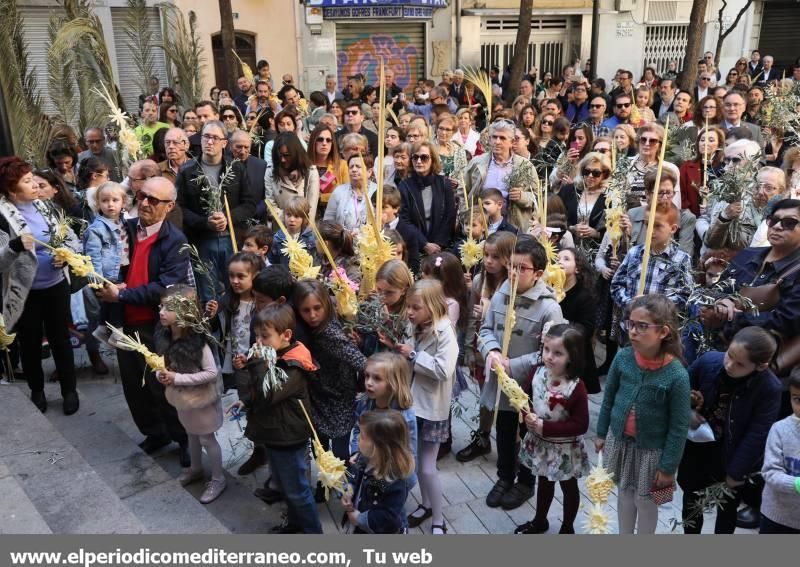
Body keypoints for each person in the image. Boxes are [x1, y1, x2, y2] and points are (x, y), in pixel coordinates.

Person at [96, 177, 191, 463]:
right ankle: (154, 432)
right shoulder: (124, 230)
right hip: (123, 321)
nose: (145, 203)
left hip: (155, 323)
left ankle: (184, 440)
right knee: (133, 384)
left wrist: (122, 296)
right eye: (142, 196)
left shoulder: (175, 240)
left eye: (154, 200)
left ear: (169, 206)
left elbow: (165, 286)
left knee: (163, 385)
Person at [595, 294, 691, 534]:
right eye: (631, 324)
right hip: (621, 442)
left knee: (645, 500)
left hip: (652, 451)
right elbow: (609, 399)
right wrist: (600, 432)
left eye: (642, 326)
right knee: (625, 494)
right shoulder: (623, 357)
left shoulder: (677, 375)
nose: (633, 331)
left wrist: (668, 466)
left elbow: (679, 426)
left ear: (663, 332)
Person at [480, 238, 564, 511]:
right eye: (511, 267)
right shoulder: (503, 291)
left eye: (522, 268)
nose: (514, 273)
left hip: (530, 386)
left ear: (538, 273)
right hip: (503, 383)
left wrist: (512, 364)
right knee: (503, 430)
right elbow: (486, 329)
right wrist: (491, 352)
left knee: (527, 435)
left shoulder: (550, 307)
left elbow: (550, 355)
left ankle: (526, 482)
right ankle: (505, 477)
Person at [229, 303, 323, 534]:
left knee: (297, 490)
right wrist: (246, 400)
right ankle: (294, 523)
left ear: (286, 335)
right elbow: (259, 393)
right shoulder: (275, 354)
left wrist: (256, 363)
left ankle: (314, 533)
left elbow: (269, 392)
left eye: (265, 336)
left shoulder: (293, 366)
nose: (258, 342)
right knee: (285, 486)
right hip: (274, 433)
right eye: (256, 336)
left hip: (289, 438)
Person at [678, 327, 782, 533]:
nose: (729, 365)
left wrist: (736, 472)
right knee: (691, 505)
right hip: (698, 450)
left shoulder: (769, 388)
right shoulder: (709, 362)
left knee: (726, 510)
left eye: (740, 364)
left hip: (733, 456)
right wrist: (686, 412)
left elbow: (758, 434)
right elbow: (679, 390)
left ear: (761, 366)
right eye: (729, 355)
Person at [0, 157, 81, 415]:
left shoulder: (48, 208)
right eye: (26, 181)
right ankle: (37, 390)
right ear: (12, 190)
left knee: (61, 339)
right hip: (25, 293)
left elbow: (72, 240)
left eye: (33, 178)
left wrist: (65, 254)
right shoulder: (3, 217)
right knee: (30, 342)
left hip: (56, 285)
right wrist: (14, 247)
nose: (35, 184)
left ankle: (70, 390)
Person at [379, 279, 456, 535]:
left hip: (433, 409)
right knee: (418, 463)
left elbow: (443, 370)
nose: (409, 312)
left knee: (426, 466)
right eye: (409, 307)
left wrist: (412, 355)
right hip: (413, 405)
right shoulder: (417, 327)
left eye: (415, 307)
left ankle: (438, 519)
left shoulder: (445, 333)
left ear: (432, 307)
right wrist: (395, 349)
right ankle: (425, 505)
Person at [514, 323, 590, 534]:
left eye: (558, 353)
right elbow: (525, 397)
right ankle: (540, 520)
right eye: (546, 349)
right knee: (544, 482)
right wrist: (526, 413)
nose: (549, 357)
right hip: (541, 444)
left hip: (566, 448)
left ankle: (567, 527)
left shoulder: (576, 386)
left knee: (568, 487)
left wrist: (545, 426)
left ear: (571, 357)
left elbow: (581, 424)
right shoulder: (537, 373)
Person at [294, 279, 367, 495]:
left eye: (317, 308)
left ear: (326, 304)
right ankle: (327, 480)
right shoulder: (309, 329)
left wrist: (381, 375)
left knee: (341, 449)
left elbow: (358, 360)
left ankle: (347, 484)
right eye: (306, 310)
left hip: (340, 397)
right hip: (319, 395)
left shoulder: (329, 332)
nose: (313, 315)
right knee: (320, 446)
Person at [155, 285, 226, 504]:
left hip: (202, 400)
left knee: (206, 437)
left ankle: (218, 478)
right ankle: (195, 469)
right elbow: (164, 365)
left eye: (168, 308)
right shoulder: (166, 337)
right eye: (161, 306)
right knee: (191, 434)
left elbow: (211, 373)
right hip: (182, 399)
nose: (161, 312)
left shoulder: (198, 341)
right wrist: (162, 375)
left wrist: (176, 379)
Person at [176, 121, 254, 301]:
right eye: (206, 137)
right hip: (202, 240)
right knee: (208, 294)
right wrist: (205, 222)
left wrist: (227, 217)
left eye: (214, 138)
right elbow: (180, 208)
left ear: (224, 143)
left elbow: (249, 204)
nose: (209, 142)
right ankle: (212, 327)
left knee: (235, 291)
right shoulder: (187, 171)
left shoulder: (236, 168)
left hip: (232, 238)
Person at [457, 231, 516, 462]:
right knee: (485, 397)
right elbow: (473, 318)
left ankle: (510, 444)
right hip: (484, 350)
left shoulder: (513, 284)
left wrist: (492, 310)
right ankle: (483, 437)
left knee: (509, 401)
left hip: (507, 352)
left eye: (495, 256)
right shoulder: (480, 281)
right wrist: (470, 349)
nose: (489, 261)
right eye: (486, 255)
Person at [342, 410, 416, 534]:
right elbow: (354, 479)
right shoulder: (363, 459)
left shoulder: (394, 482)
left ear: (379, 447)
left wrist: (360, 519)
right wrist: (348, 491)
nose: (358, 437)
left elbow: (387, 515)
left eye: (363, 436)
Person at [611, 202, 693, 312]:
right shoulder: (634, 253)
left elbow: (685, 296)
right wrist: (630, 304)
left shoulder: (681, 260)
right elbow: (617, 284)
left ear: (673, 229)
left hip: (659, 324)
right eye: (647, 224)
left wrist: (653, 307)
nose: (650, 230)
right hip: (631, 324)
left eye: (657, 225)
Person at [350, 352, 417, 479]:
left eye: (377, 378)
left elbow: (409, 453)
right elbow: (358, 430)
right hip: (366, 469)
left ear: (393, 383)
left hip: (392, 477)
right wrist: (356, 452)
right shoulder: (364, 404)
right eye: (367, 376)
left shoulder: (405, 417)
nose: (368, 382)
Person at [206, 251, 263, 403]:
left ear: (255, 276)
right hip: (236, 358)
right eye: (231, 276)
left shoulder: (261, 302)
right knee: (243, 391)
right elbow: (215, 328)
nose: (235, 281)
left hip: (257, 358)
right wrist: (212, 315)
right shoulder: (227, 299)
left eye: (241, 276)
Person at [465, 121, 537, 232]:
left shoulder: (525, 166)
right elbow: (464, 191)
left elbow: (537, 198)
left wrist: (522, 197)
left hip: (513, 227)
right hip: (481, 228)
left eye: (502, 138)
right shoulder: (476, 163)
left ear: (512, 142)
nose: (497, 142)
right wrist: (465, 217)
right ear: (489, 139)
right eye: (494, 137)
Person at [398, 141, 456, 269]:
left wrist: (437, 245)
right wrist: (424, 244)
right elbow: (404, 220)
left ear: (433, 160)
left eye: (424, 157)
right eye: (415, 157)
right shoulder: (405, 186)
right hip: (415, 248)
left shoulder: (444, 184)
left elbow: (449, 216)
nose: (419, 161)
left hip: (441, 248)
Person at [759, 370, 800, 534]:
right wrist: (796, 484)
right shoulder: (780, 430)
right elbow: (770, 472)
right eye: (797, 399)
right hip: (776, 516)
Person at [557, 248, 600, 393]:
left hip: (575, 353)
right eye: (557, 259)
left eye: (566, 259)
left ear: (577, 268)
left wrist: (563, 324)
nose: (560, 262)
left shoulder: (584, 295)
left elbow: (587, 328)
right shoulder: (550, 290)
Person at [264, 132, 321, 222]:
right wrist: (290, 218)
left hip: (303, 228)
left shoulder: (311, 172)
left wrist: (298, 220)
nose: (282, 160)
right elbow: (271, 206)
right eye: (280, 156)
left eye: (287, 155)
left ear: (295, 153)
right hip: (280, 228)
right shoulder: (271, 170)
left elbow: (312, 207)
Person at [679, 126, 725, 217]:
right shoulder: (686, 167)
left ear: (719, 145)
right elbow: (681, 195)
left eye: (711, 140)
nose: (705, 143)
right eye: (702, 140)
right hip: (691, 218)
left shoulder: (724, 169)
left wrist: (711, 208)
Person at [324, 154, 377, 232]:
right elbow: (328, 221)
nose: (354, 169)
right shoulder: (339, 191)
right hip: (343, 241)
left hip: (371, 242)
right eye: (351, 167)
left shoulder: (378, 191)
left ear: (369, 172)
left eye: (358, 166)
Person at [266, 196, 316, 268]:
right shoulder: (276, 239)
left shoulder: (311, 238)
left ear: (304, 218)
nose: (292, 219)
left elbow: (314, 262)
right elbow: (272, 264)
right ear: (284, 215)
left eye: (296, 216)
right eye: (288, 215)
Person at [308, 124, 349, 207]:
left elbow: (347, 194)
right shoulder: (305, 165)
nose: (324, 143)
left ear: (332, 143)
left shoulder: (342, 165)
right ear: (313, 141)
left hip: (334, 215)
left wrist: (321, 197)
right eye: (320, 139)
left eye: (328, 140)